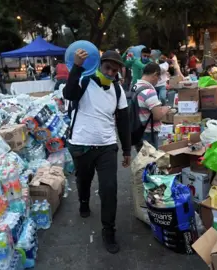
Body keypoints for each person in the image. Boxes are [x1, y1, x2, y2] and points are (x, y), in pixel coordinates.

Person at [63, 49, 131, 254]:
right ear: (100, 65)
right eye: (107, 67)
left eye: (114, 69)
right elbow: (68, 93)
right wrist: (76, 66)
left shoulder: (118, 91)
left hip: (107, 147)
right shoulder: (84, 82)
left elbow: (124, 121)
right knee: (84, 180)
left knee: (109, 188)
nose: (110, 72)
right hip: (82, 144)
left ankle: (108, 230)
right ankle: (84, 201)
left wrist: (127, 150)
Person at [133, 63, 171, 150]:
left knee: (141, 160)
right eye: (159, 77)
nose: (158, 81)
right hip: (148, 133)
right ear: (154, 75)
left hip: (136, 130)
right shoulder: (149, 92)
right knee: (150, 161)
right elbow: (157, 116)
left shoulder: (134, 87)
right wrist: (166, 109)